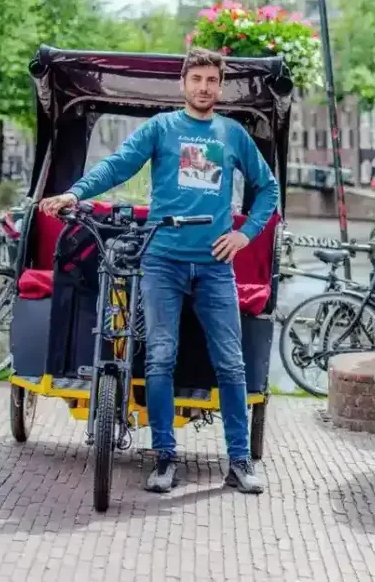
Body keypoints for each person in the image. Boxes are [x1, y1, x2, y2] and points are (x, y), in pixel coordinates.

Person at [39, 48, 279, 495]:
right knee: (160, 357)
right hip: (162, 260)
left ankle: (240, 462)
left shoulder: (231, 134)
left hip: (214, 266)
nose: (204, 87)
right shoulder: (162, 128)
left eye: (212, 80)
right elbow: (117, 165)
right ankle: (165, 458)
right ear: (183, 84)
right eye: (197, 79)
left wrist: (246, 236)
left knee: (231, 363)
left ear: (220, 87)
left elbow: (268, 189)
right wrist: (74, 194)